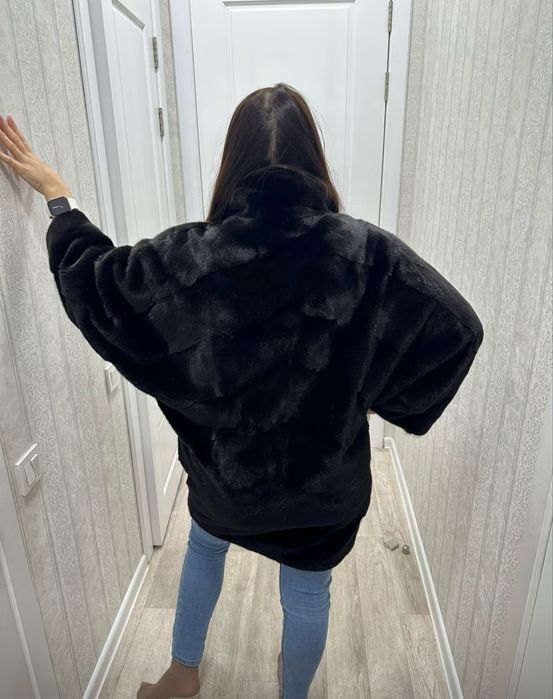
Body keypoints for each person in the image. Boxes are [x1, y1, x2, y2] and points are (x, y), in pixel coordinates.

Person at [0, 83, 484, 699]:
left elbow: (99, 289)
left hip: (225, 487)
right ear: (315, 160)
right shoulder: (368, 256)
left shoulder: (189, 258)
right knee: (308, 591)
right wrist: (371, 394)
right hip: (323, 495)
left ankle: (181, 675)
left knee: (204, 548)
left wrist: (59, 199)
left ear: (232, 164)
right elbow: (457, 330)